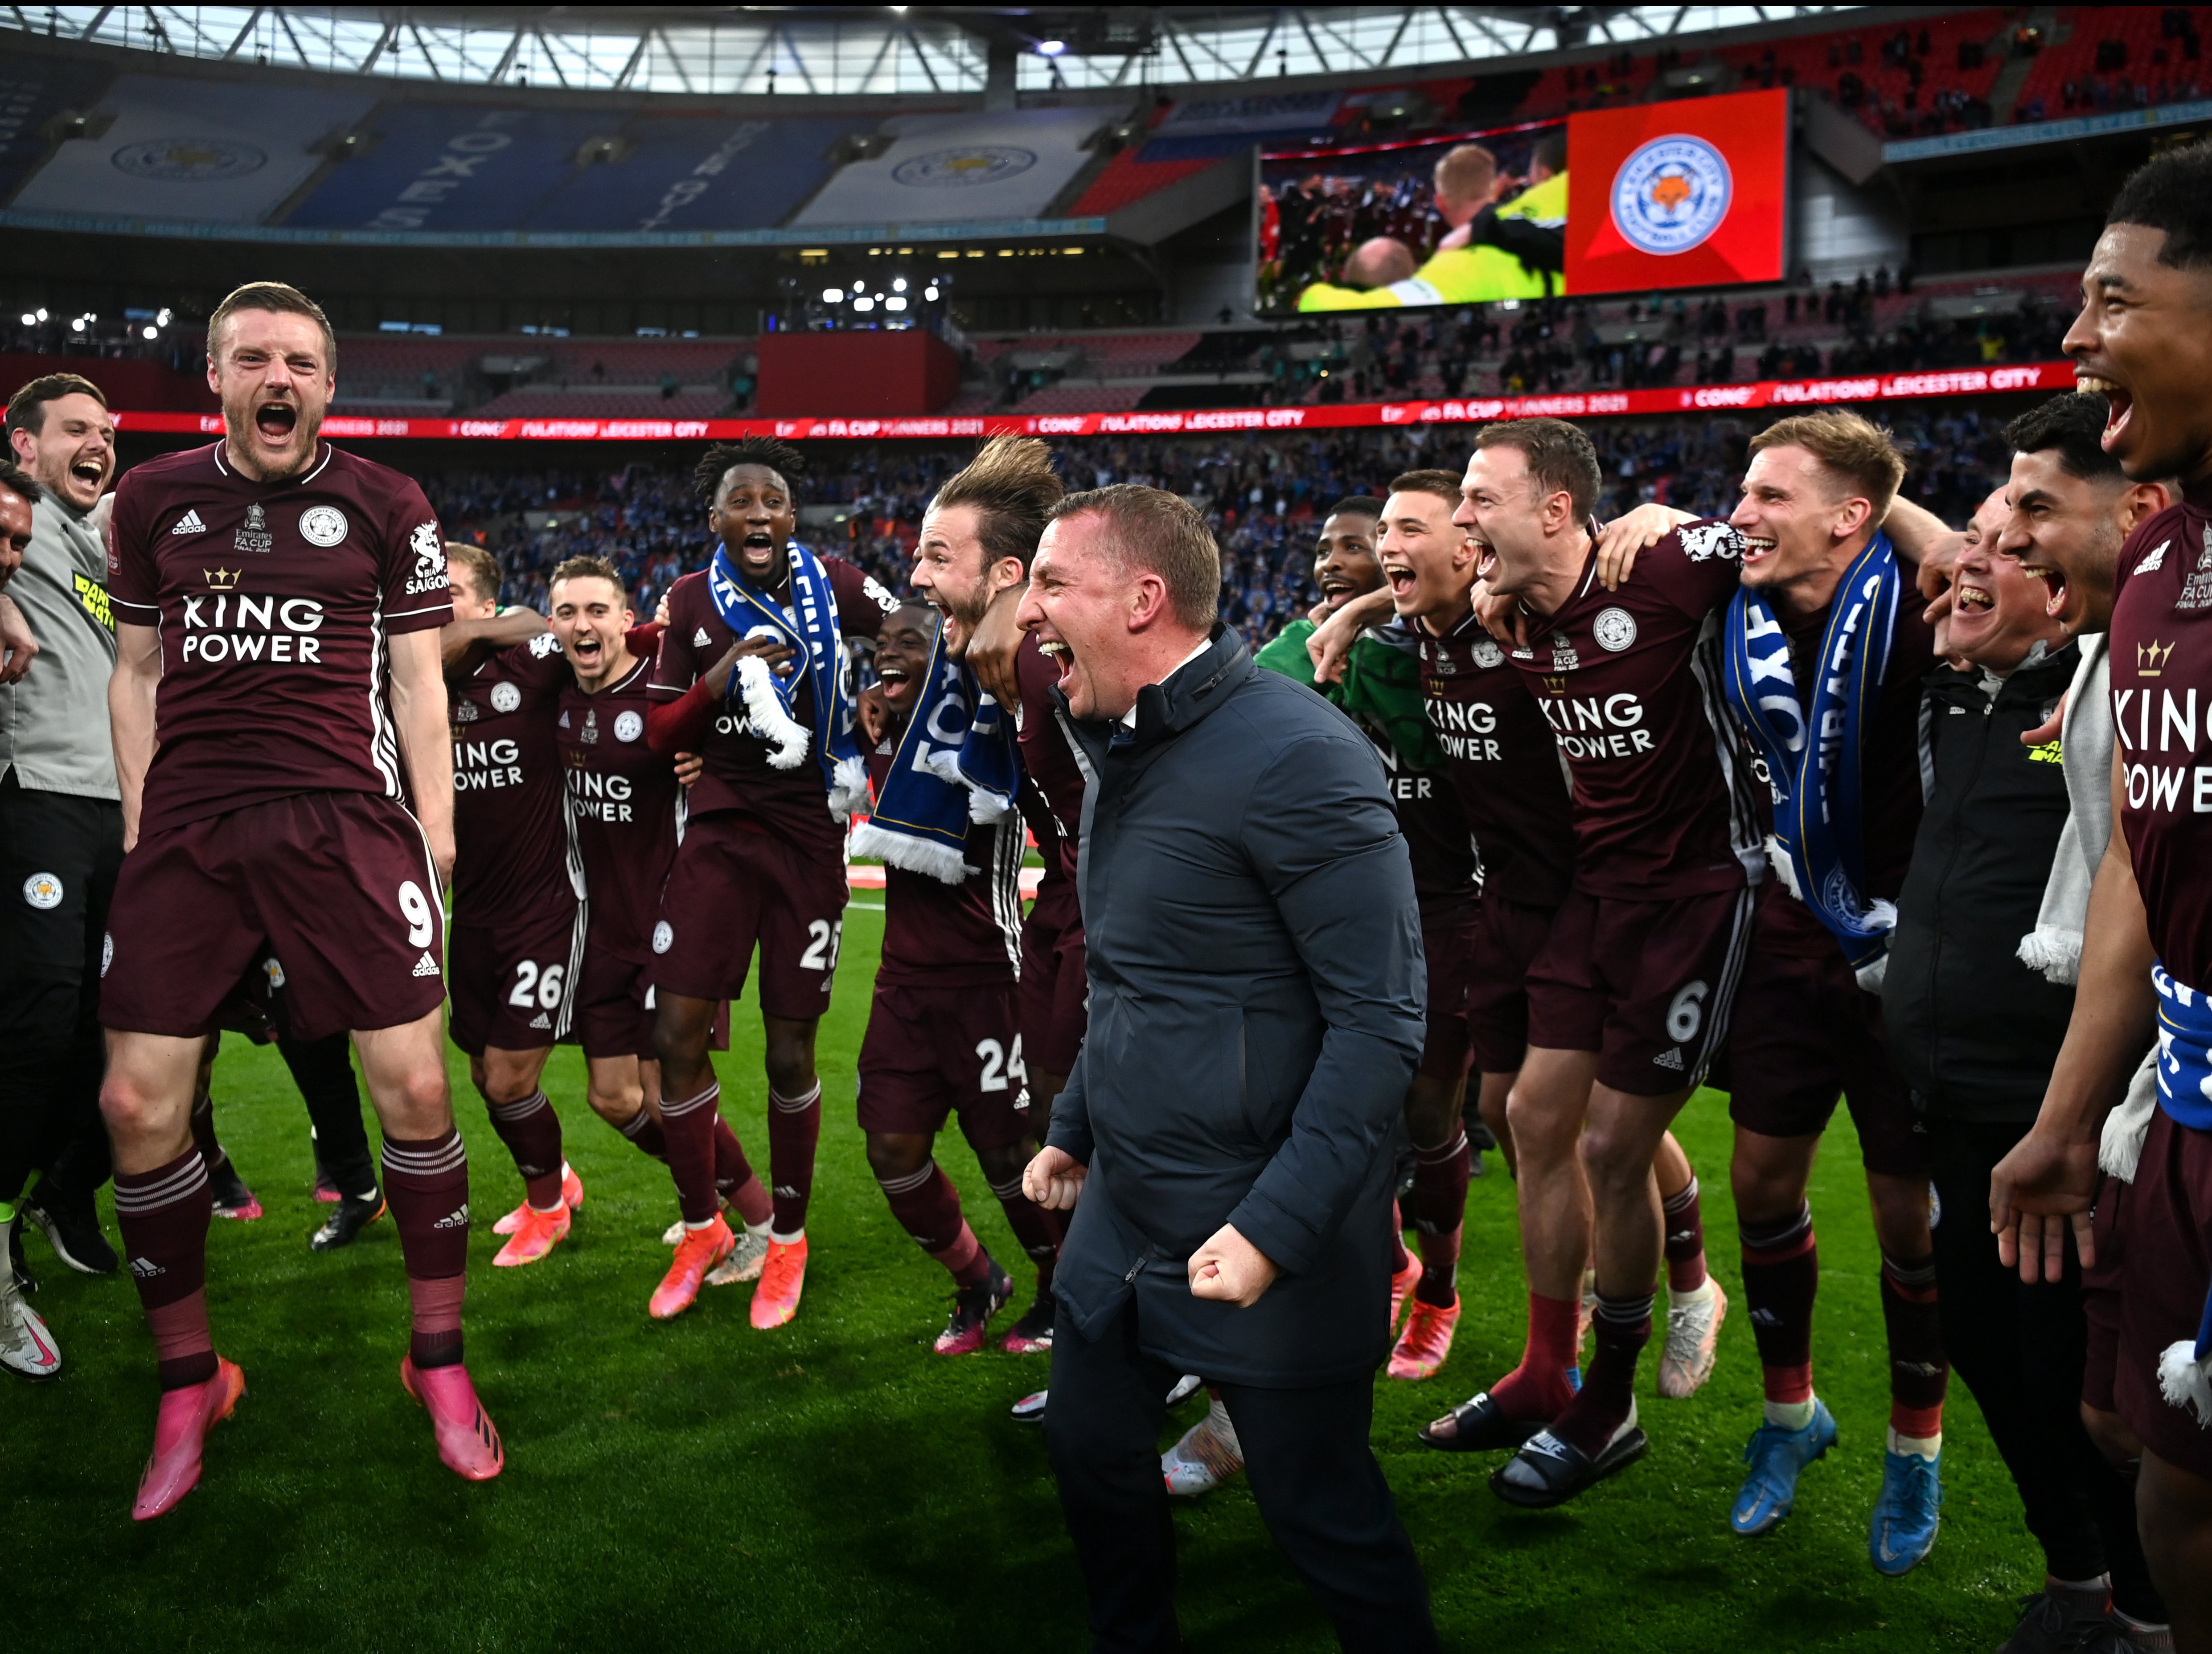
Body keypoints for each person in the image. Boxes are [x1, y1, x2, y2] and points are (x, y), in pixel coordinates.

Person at [99, 279, 499, 1518]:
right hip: (195, 825)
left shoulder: (390, 503)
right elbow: (135, 671)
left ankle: (437, 1359)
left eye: (303, 363)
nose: (280, 379)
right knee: (133, 1104)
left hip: (343, 820)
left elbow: (419, 682)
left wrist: (433, 824)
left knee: (420, 1086)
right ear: (215, 375)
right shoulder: (152, 501)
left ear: (330, 384)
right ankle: (189, 1380)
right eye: (254, 360)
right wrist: (138, 820)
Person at [1018, 483, 1438, 1653]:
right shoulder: (1121, 743)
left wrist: (1275, 1227)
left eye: (1054, 583)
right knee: (1091, 1451)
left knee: (1322, 1519)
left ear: (1142, 598)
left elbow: (1379, 1024)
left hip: (1267, 1221)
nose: (1031, 611)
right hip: (1131, 1207)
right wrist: (1073, 1128)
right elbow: (1139, 977)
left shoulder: (1300, 751)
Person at [1609, 413, 1953, 1567]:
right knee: (1760, 1183)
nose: (1738, 515)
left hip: (1909, 945)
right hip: (1782, 936)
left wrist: (1889, 501)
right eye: (1736, 495)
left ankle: (1914, 1453)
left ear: (1849, 518)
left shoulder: (1914, 600)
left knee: (1909, 1216)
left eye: (1767, 497)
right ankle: (1788, 1417)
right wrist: (1667, 520)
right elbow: (1661, 551)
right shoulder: (1732, 604)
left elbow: (1959, 558)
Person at [1345, 472, 1721, 1469]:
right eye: (1383, 529)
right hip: (1508, 904)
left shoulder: (1516, 629)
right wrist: (1349, 609)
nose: (1394, 544)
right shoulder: (1415, 631)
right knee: (1519, 1116)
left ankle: (1668, 1286)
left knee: (1576, 1125)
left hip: (1589, 896)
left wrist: (1668, 519)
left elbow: (1631, 596)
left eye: (1418, 525)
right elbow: (1398, 594)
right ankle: (1558, 1358)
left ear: (1479, 550)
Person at [1888, 450, 2170, 1654]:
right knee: (1988, 1352)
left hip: (2055, 1107)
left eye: (2006, 543)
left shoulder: (2101, 687)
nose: (1964, 564)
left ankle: (2143, 1608)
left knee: (2087, 1386)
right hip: (1946, 1099)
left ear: (2057, 587)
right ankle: (2078, 1581)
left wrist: (2072, 1111)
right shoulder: (1952, 692)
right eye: (1963, 543)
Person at [1992, 139, 2212, 1647]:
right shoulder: (2157, 568)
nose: (2074, 339)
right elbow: (2145, 843)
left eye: (2111, 299)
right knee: (2158, 1464)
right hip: (2187, 1112)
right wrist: (2070, 1121)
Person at [1464, 417, 1762, 1508]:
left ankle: (1612, 1396)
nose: (1463, 519)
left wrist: (1691, 517)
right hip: (1597, 893)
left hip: (1696, 896)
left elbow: (1801, 539)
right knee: (1529, 1120)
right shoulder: (1515, 613)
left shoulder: (1670, 563)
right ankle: (1550, 1368)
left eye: (1480, 498)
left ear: (1556, 509)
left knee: (1608, 1143)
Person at [644, 438, 896, 1325]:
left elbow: (917, 633)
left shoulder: (839, 581)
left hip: (808, 841)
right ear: (715, 520)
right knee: (674, 1032)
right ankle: (703, 1223)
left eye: (774, 502)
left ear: (792, 516)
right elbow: (656, 727)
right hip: (717, 832)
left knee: (790, 1048)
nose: (758, 515)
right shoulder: (687, 600)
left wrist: (884, 696)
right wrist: (717, 678)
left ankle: (786, 1238)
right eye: (741, 503)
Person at [1256, 491, 1490, 1385]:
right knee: (1341, 1114)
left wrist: (1365, 613)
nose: (1336, 558)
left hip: (1448, 912)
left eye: (1360, 544)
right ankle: (1392, 1269)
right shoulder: (1293, 651)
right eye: (1330, 545)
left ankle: (1439, 1288)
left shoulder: (1447, 649)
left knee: (1431, 1115)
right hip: (1338, 917)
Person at [548, 555, 777, 1281]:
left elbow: (753, 738)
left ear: (624, 619)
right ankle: (699, 1189)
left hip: (674, 923)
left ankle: (764, 1228)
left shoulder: (662, 689)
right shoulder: (551, 691)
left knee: (675, 1091)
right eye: (567, 612)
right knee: (613, 1098)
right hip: (601, 931)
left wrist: (710, 765)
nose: (582, 625)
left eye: (597, 611)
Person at [897, 433, 1073, 1355]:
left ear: (1007, 572)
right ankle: (1093, 1323)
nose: (917, 577)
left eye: (936, 555)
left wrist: (1020, 614)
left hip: (1114, 922)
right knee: (1061, 1132)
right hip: (1070, 920)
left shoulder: (1055, 664)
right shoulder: (990, 667)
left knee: (1093, 1142)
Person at [851, 602, 1036, 1352]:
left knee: (1011, 1157)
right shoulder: (871, 735)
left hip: (989, 976)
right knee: (892, 1150)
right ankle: (977, 1278)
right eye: (882, 648)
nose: (889, 657)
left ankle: (1061, 1294)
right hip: (903, 985)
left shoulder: (988, 738)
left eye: (910, 645)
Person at [2, 376, 120, 1312]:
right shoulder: (20, 519)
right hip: (37, 794)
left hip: (122, 815)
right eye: (78, 429)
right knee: (43, 1008)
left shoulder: (100, 540)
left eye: (110, 431)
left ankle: (64, 1190)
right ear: (23, 446)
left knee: (121, 1027)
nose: (102, 442)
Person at [441, 542, 587, 1268]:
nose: (436, 601)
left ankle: (546, 1208)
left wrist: (478, 633)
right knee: (479, 1071)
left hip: (545, 907)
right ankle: (557, 1175)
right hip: (470, 916)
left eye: (452, 592)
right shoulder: (417, 681)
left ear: (487, 607)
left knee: (508, 1077)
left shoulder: (526, 665)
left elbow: (554, 627)